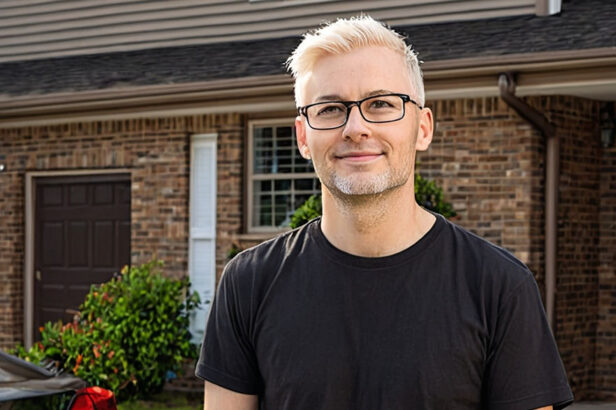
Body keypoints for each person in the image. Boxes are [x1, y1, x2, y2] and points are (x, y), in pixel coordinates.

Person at [195, 15, 573, 410]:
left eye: (381, 104)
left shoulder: (498, 287)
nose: (355, 127)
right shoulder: (248, 284)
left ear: (422, 128)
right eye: (329, 108)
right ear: (303, 136)